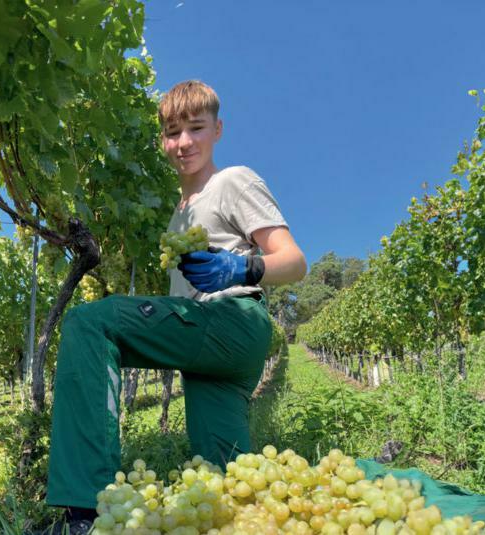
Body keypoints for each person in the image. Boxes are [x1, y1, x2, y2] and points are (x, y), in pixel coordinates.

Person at [41, 80, 307, 534]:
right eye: (171, 132)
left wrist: (241, 269)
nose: (183, 143)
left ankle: (85, 510)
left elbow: (295, 261)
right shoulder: (180, 212)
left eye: (196, 128)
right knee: (229, 484)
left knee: (90, 321)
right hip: (212, 356)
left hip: (232, 321)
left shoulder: (232, 181)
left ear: (218, 129)